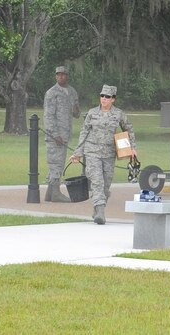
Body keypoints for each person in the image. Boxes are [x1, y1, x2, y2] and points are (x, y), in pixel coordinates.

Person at [70, 85, 137, 224]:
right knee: (97, 181)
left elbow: (128, 130)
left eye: (107, 97)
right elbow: (84, 132)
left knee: (106, 184)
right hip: (92, 151)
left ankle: (97, 207)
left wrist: (132, 148)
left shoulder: (118, 114)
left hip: (109, 153)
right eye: (102, 96)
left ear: (113, 99)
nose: (104, 99)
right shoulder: (92, 113)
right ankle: (100, 212)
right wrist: (78, 153)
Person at [42, 65, 80, 202]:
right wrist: (54, 134)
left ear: (67, 76)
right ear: (55, 76)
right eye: (58, 74)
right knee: (55, 163)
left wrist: (76, 110)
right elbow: (48, 116)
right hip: (55, 136)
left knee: (58, 162)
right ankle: (56, 193)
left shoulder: (72, 92)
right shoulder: (51, 93)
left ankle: (49, 193)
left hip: (66, 134)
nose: (60, 76)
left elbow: (76, 113)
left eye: (63, 74)